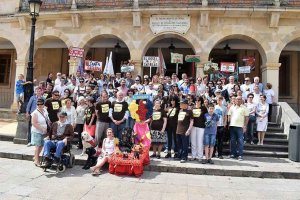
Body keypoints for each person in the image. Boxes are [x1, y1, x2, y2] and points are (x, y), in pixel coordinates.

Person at [228, 96, 249, 161]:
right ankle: (233, 154)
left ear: (242, 100)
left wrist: (245, 126)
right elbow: (229, 115)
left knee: (240, 141)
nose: (238, 100)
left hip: (240, 127)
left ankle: (240, 155)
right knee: (233, 141)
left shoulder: (244, 108)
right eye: (237, 99)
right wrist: (229, 123)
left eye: (239, 99)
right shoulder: (232, 107)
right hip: (232, 126)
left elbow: (247, 117)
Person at [31, 98, 49, 167]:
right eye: (38, 104)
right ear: (36, 105)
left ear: (43, 104)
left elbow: (47, 118)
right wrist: (42, 129)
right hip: (37, 131)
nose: (40, 105)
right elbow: (34, 123)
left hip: (44, 131)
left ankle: (35, 157)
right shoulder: (35, 113)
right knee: (37, 146)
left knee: (41, 145)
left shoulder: (45, 110)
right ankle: (37, 160)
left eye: (41, 104)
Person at [190, 96, 207, 161]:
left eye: (199, 100)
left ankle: (200, 157)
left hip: (201, 127)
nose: (197, 102)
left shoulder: (204, 108)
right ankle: (193, 155)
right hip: (193, 127)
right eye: (196, 101)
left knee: (200, 142)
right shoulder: (193, 108)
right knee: (193, 142)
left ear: (201, 101)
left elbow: (206, 117)